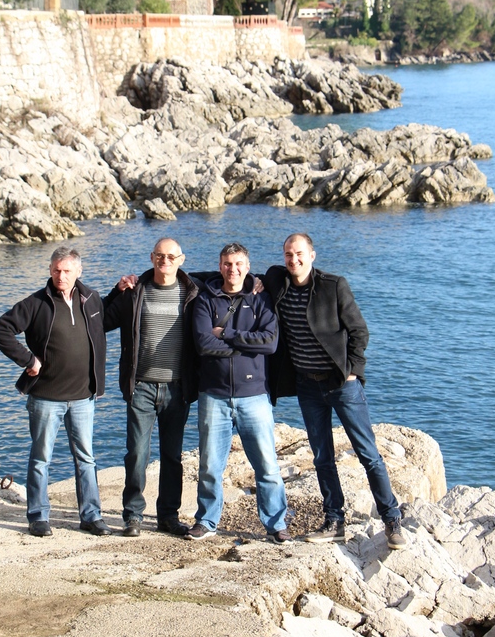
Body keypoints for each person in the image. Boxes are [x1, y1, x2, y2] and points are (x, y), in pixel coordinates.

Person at [263, 233, 406, 550]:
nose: (294, 260)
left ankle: (392, 520)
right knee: (322, 457)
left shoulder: (333, 285)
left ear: (312, 255)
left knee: (368, 455)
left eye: (299, 253)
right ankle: (334, 521)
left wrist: (354, 371)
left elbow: (359, 331)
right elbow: (238, 274)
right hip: (306, 385)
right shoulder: (277, 280)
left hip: (341, 384)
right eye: (288, 255)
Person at [0, 245, 112, 538]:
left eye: (67, 270)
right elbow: (0, 330)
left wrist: (122, 290)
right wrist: (28, 360)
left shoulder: (92, 299)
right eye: (56, 270)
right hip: (45, 398)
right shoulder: (35, 303)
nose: (61, 276)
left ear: (78, 271)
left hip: (83, 397)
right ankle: (38, 517)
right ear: (50, 270)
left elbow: (107, 321)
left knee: (86, 459)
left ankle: (91, 517)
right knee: (40, 459)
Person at [188, 242, 290, 543]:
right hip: (213, 394)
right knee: (210, 466)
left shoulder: (261, 298)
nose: (233, 269)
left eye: (238, 264)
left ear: (248, 267)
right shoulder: (205, 299)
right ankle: (206, 520)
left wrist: (228, 334)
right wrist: (246, 346)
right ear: (220, 266)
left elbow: (270, 342)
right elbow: (203, 344)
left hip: (254, 395)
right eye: (227, 264)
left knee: (267, 465)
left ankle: (276, 524)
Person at [104, 237, 199, 538]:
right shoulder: (135, 292)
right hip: (141, 387)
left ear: (181, 260)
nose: (165, 261)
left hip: (177, 389)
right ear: (151, 257)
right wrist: (115, 290)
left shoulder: (193, 293)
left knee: (172, 456)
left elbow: (228, 277)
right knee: (136, 454)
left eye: (171, 256)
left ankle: (168, 516)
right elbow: (101, 321)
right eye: (159, 255)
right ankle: (133, 515)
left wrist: (255, 283)